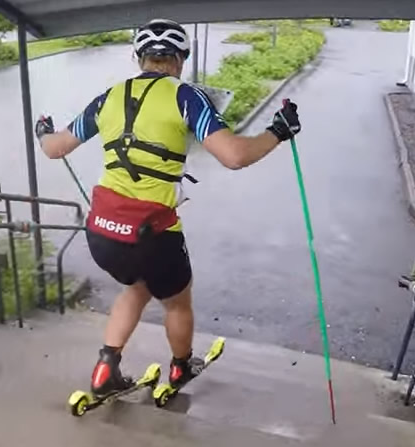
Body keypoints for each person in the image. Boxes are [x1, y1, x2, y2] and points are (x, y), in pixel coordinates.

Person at [35, 18, 302, 396]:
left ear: (139, 57)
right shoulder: (186, 96)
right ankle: (180, 370)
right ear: (181, 59)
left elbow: (54, 148)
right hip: (152, 233)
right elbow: (235, 156)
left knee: (138, 288)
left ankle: (105, 370)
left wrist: (43, 130)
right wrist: (279, 131)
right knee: (177, 301)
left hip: (101, 232)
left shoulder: (109, 96)